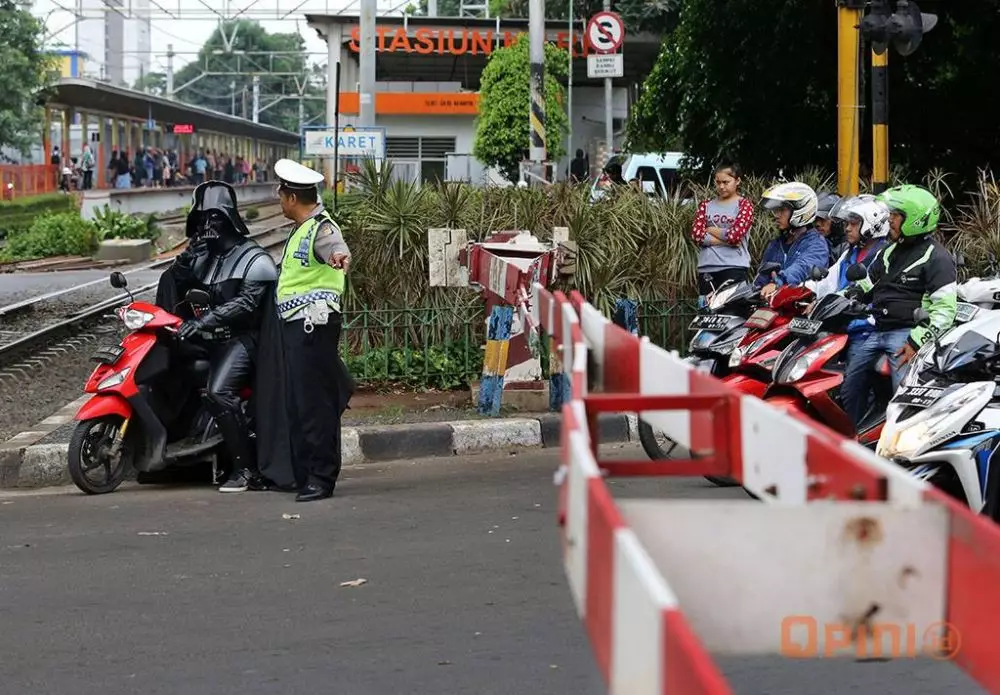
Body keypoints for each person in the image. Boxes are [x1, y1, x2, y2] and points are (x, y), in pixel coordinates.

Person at [155, 181, 278, 493]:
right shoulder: (204, 257)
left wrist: (204, 321)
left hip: (245, 340)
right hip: (210, 337)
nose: (207, 227)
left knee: (219, 392)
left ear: (228, 219)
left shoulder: (255, 260)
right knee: (167, 368)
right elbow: (175, 285)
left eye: (213, 219)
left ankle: (246, 469)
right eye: (201, 220)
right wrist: (183, 262)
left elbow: (246, 304)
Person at [255, 159, 356, 503]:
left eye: (281, 195)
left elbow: (338, 249)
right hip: (298, 328)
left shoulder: (322, 228)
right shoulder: (302, 229)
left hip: (314, 326)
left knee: (315, 404)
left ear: (292, 197)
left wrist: (340, 258)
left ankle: (321, 478)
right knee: (302, 402)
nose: (279, 201)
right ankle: (306, 472)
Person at [840, 184, 957, 428]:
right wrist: (841, 298)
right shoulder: (888, 251)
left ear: (914, 219)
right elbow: (866, 285)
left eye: (895, 216)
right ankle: (850, 438)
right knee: (849, 385)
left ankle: (898, 448)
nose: (889, 220)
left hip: (905, 335)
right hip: (877, 331)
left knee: (901, 399)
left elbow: (945, 311)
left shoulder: (937, 258)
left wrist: (916, 341)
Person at [806, 196, 891, 360]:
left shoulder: (883, 255)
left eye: (853, 224)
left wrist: (828, 303)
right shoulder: (851, 252)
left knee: (852, 374)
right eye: (846, 223)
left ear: (872, 225)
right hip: (839, 321)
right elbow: (828, 279)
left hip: (864, 328)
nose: (847, 229)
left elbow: (861, 292)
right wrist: (803, 290)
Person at [691, 161, 755, 298]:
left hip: (734, 268)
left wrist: (709, 229)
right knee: (707, 316)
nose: (721, 186)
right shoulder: (705, 205)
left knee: (733, 314)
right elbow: (697, 235)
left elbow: (735, 236)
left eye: (726, 182)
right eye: (718, 182)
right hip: (707, 269)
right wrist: (726, 242)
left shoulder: (744, 205)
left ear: (737, 181)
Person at [754, 182, 830, 298]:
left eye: (782, 210)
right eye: (776, 210)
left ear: (801, 210)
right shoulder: (775, 245)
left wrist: (778, 282)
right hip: (771, 306)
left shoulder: (817, 244)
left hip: (800, 307)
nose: (777, 215)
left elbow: (802, 267)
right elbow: (761, 277)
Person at [815, 192, 848, 263]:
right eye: (816, 219)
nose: (817, 224)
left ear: (837, 220)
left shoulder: (848, 248)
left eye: (822, 219)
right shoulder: (814, 243)